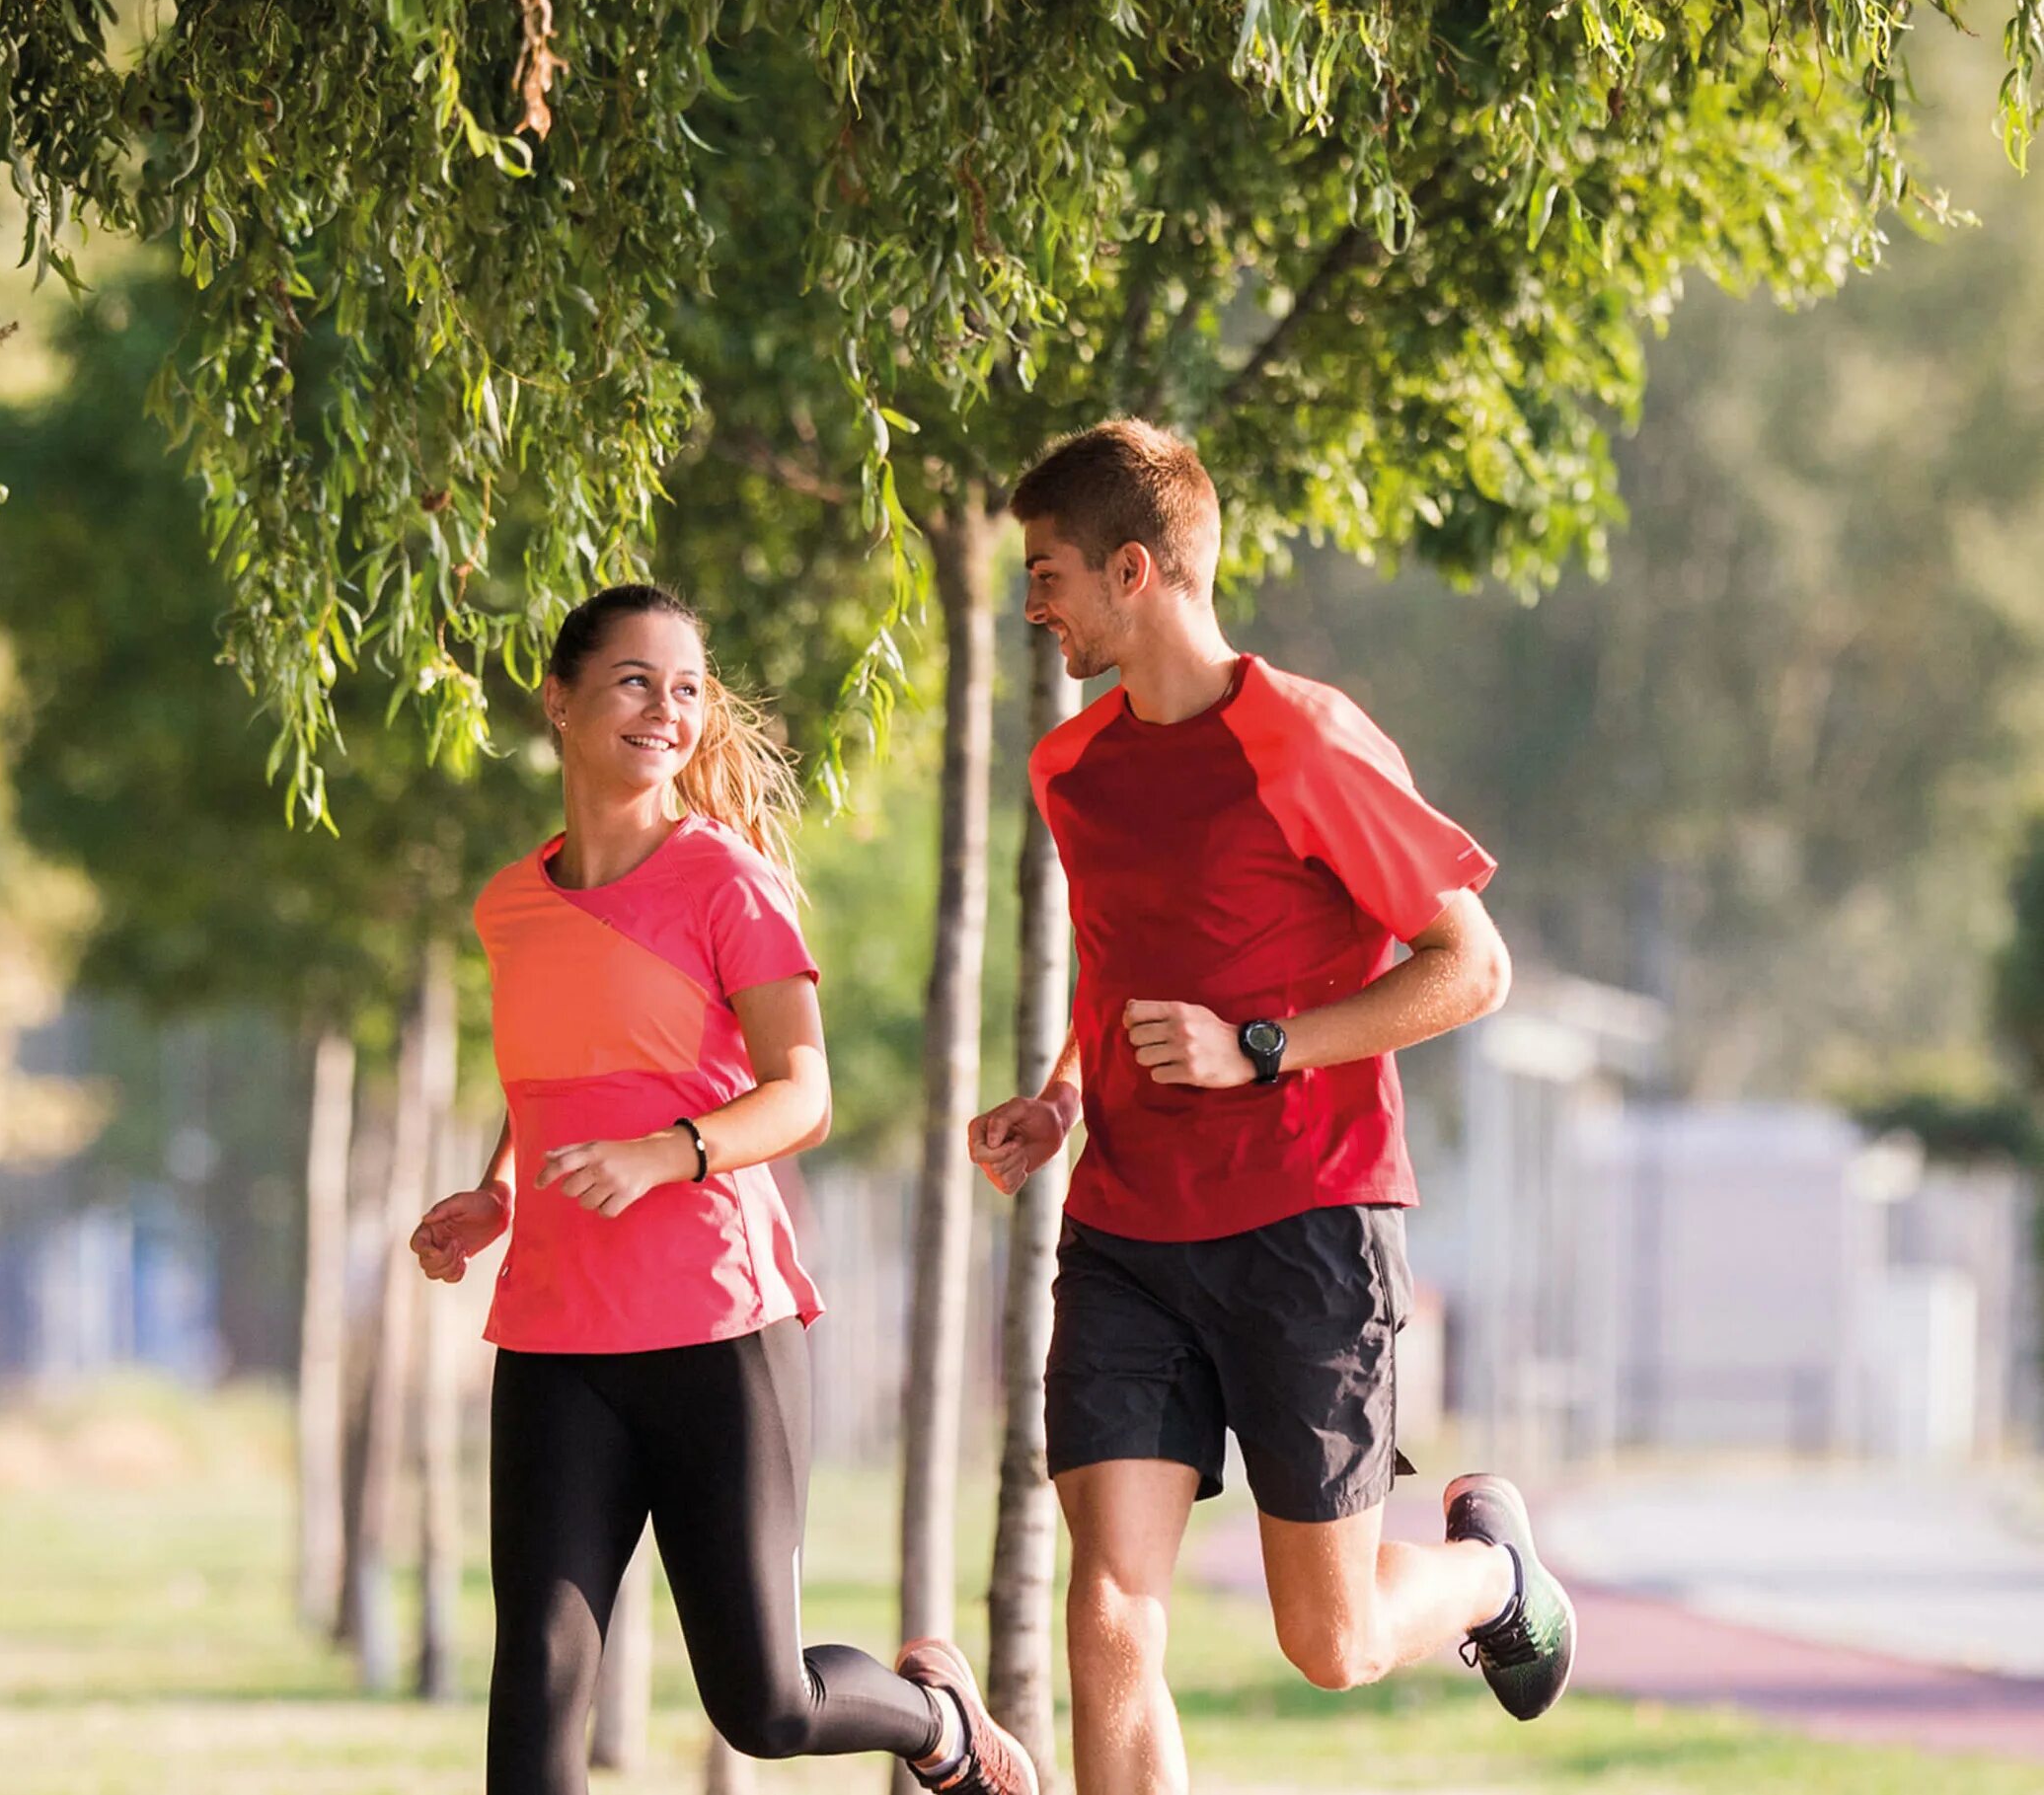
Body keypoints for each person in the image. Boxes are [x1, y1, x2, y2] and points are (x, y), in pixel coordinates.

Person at [967, 421, 1577, 1795]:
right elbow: (1118, 956)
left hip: (1308, 1221)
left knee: (1333, 1635)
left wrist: (1264, 1047)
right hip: (1124, 1227)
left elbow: (1471, 967)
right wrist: (1060, 1097)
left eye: (1050, 572)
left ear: (1135, 568)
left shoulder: (1302, 741)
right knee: (1110, 1611)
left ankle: (1493, 1572)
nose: (1033, 605)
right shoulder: (1074, 771)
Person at [412, 583, 1036, 1795]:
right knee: (533, 1697)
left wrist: (664, 1154)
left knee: (764, 1701)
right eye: (637, 679)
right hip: (553, 1338)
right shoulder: (511, 905)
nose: (667, 709)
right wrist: (495, 1191)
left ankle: (938, 1724)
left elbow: (803, 1093)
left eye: (688, 687)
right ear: (561, 698)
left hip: (715, 1329)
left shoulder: (726, 884)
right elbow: (552, 1076)